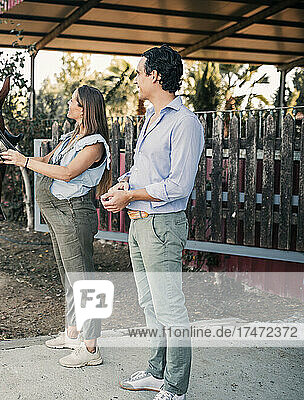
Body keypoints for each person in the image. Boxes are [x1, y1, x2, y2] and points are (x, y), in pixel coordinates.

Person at [101, 45, 204, 400]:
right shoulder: (151, 117)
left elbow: (178, 185)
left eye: (140, 72)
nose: (136, 79)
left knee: (170, 307)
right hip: (140, 225)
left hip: (163, 226)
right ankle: (156, 373)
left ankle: (176, 387)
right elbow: (146, 169)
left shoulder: (184, 122)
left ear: (156, 76)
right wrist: (123, 184)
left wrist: (131, 196)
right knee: (149, 304)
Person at [0, 85, 111, 368]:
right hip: (59, 213)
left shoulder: (94, 144)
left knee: (84, 279)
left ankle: (91, 349)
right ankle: (73, 333)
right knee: (68, 276)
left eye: (73, 101)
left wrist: (25, 161)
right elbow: (46, 162)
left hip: (74, 213)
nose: (68, 104)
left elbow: (67, 172)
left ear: (85, 109)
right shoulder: (70, 137)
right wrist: (14, 156)